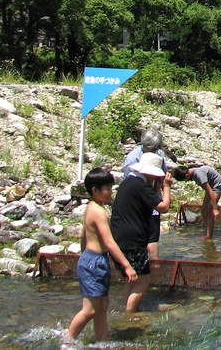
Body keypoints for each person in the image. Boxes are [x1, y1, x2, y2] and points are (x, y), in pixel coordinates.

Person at [68, 168, 138, 342]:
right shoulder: (98, 212)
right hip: (93, 261)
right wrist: (127, 266)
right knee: (90, 310)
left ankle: (102, 340)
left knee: (102, 306)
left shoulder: (92, 207)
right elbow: (108, 242)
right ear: (95, 190)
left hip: (95, 259)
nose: (110, 192)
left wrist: (83, 254)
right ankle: (67, 341)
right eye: (107, 188)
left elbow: (83, 235)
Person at [110, 152, 172, 313]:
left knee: (132, 278)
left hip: (118, 238)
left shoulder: (128, 183)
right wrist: (167, 187)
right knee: (143, 280)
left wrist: (156, 188)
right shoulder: (142, 186)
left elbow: (142, 202)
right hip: (134, 240)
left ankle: (128, 307)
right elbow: (163, 207)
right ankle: (129, 315)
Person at [123, 129, 168, 260]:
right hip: (137, 206)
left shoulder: (159, 154)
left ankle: (155, 267)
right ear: (144, 145)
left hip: (153, 201)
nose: (154, 152)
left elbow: (162, 174)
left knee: (153, 239)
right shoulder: (132, 158)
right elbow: (130, 186)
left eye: (156, 149)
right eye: (152, 149)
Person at [171, 165, 221, 240]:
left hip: (217, 185)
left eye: (185, 180)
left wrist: (215, 208)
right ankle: (207, 231)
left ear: (187, 175)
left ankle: (209, 236)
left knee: (209, 211)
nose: (186, 181)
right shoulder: (193, 173)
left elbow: (210, 191)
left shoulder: (199, 175)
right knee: (203, 210)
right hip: (211, 186)